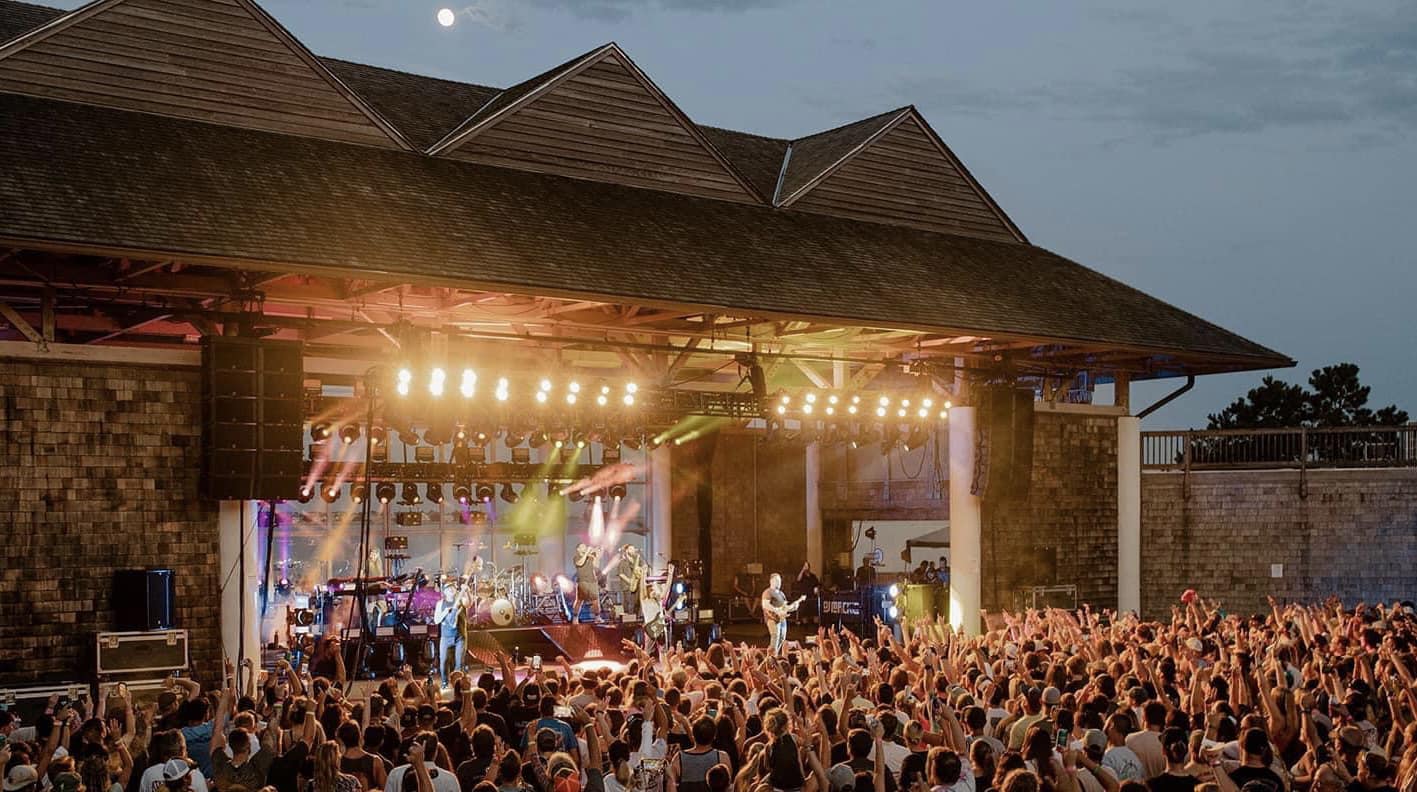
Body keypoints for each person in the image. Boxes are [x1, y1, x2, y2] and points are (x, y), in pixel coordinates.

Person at [434, 583, 469, 685]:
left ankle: (458, 683)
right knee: (444, 660)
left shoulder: (461, 600)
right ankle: (445, 682)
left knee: (460, 662)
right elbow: (436, 620)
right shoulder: (441, 603)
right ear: (444, 592)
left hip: (460, 636)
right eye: (448, 588)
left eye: (453, 588)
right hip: (446, 637)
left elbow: (469, 603)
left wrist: (467, 591)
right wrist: (445, 612)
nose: (451, 590)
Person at [760, 573, 793, 655]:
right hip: (772, 618)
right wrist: (776, 610)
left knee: (782, 638)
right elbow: (765, 604)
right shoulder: (768, 592)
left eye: (780, 581)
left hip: (782, 618)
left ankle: (775, 654)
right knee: (775, 636)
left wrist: (793, 607)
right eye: (777, 580)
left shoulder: (781, 594)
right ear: (771, 581)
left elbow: (785, 606)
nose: (779, 583)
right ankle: (771, 657)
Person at [570, 543, 603, 624]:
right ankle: (575, 617)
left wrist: (597, 556)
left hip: (592, 581)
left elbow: (596, 566)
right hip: (582, 581)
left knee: (595, 600)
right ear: (578, 549)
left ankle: (597, 617)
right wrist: (587, 552)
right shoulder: (576, 557)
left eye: (585, 547)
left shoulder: (590, 557)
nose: (585, 548)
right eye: (582, 547)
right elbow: (580, 563)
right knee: (580, 600)